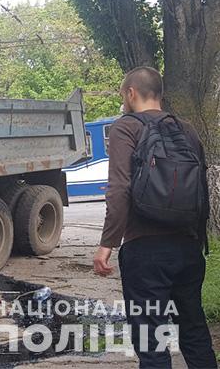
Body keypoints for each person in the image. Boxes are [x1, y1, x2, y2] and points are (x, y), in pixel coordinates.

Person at [92, 66, 216, 368]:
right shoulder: (187, 129)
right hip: (187, 248)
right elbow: (201, 189)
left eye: (123, 95)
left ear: (131, 93)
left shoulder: (126, 127)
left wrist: (107, 244)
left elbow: (119, 188)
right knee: (194, 329)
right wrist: (198, 241)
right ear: (159, 94)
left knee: (151, 338)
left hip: (144, 250)